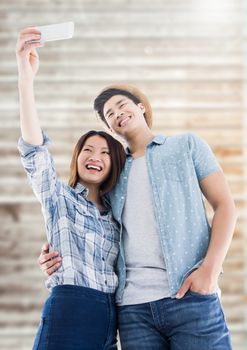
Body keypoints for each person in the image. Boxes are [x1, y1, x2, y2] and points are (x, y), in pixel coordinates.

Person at [40, 86, 237, 348]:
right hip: (133, 310)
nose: (118, 113)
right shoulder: (113, 173)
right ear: (110, 128)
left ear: (141, 107)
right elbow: (91, 225)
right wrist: (53, 252)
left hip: (190, 296)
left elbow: (224, 205)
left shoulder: (186, 146)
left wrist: (209, 271)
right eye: (110, 114)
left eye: (122, 105)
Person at [16, 28, 126, 350]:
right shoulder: (58, 196)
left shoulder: (117, 214)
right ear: (78, 158)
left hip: (112, 316)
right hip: (71, 308)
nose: (96, 157)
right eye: (88, 150)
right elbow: (34, 148)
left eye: (106, 153)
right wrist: (26, 78)